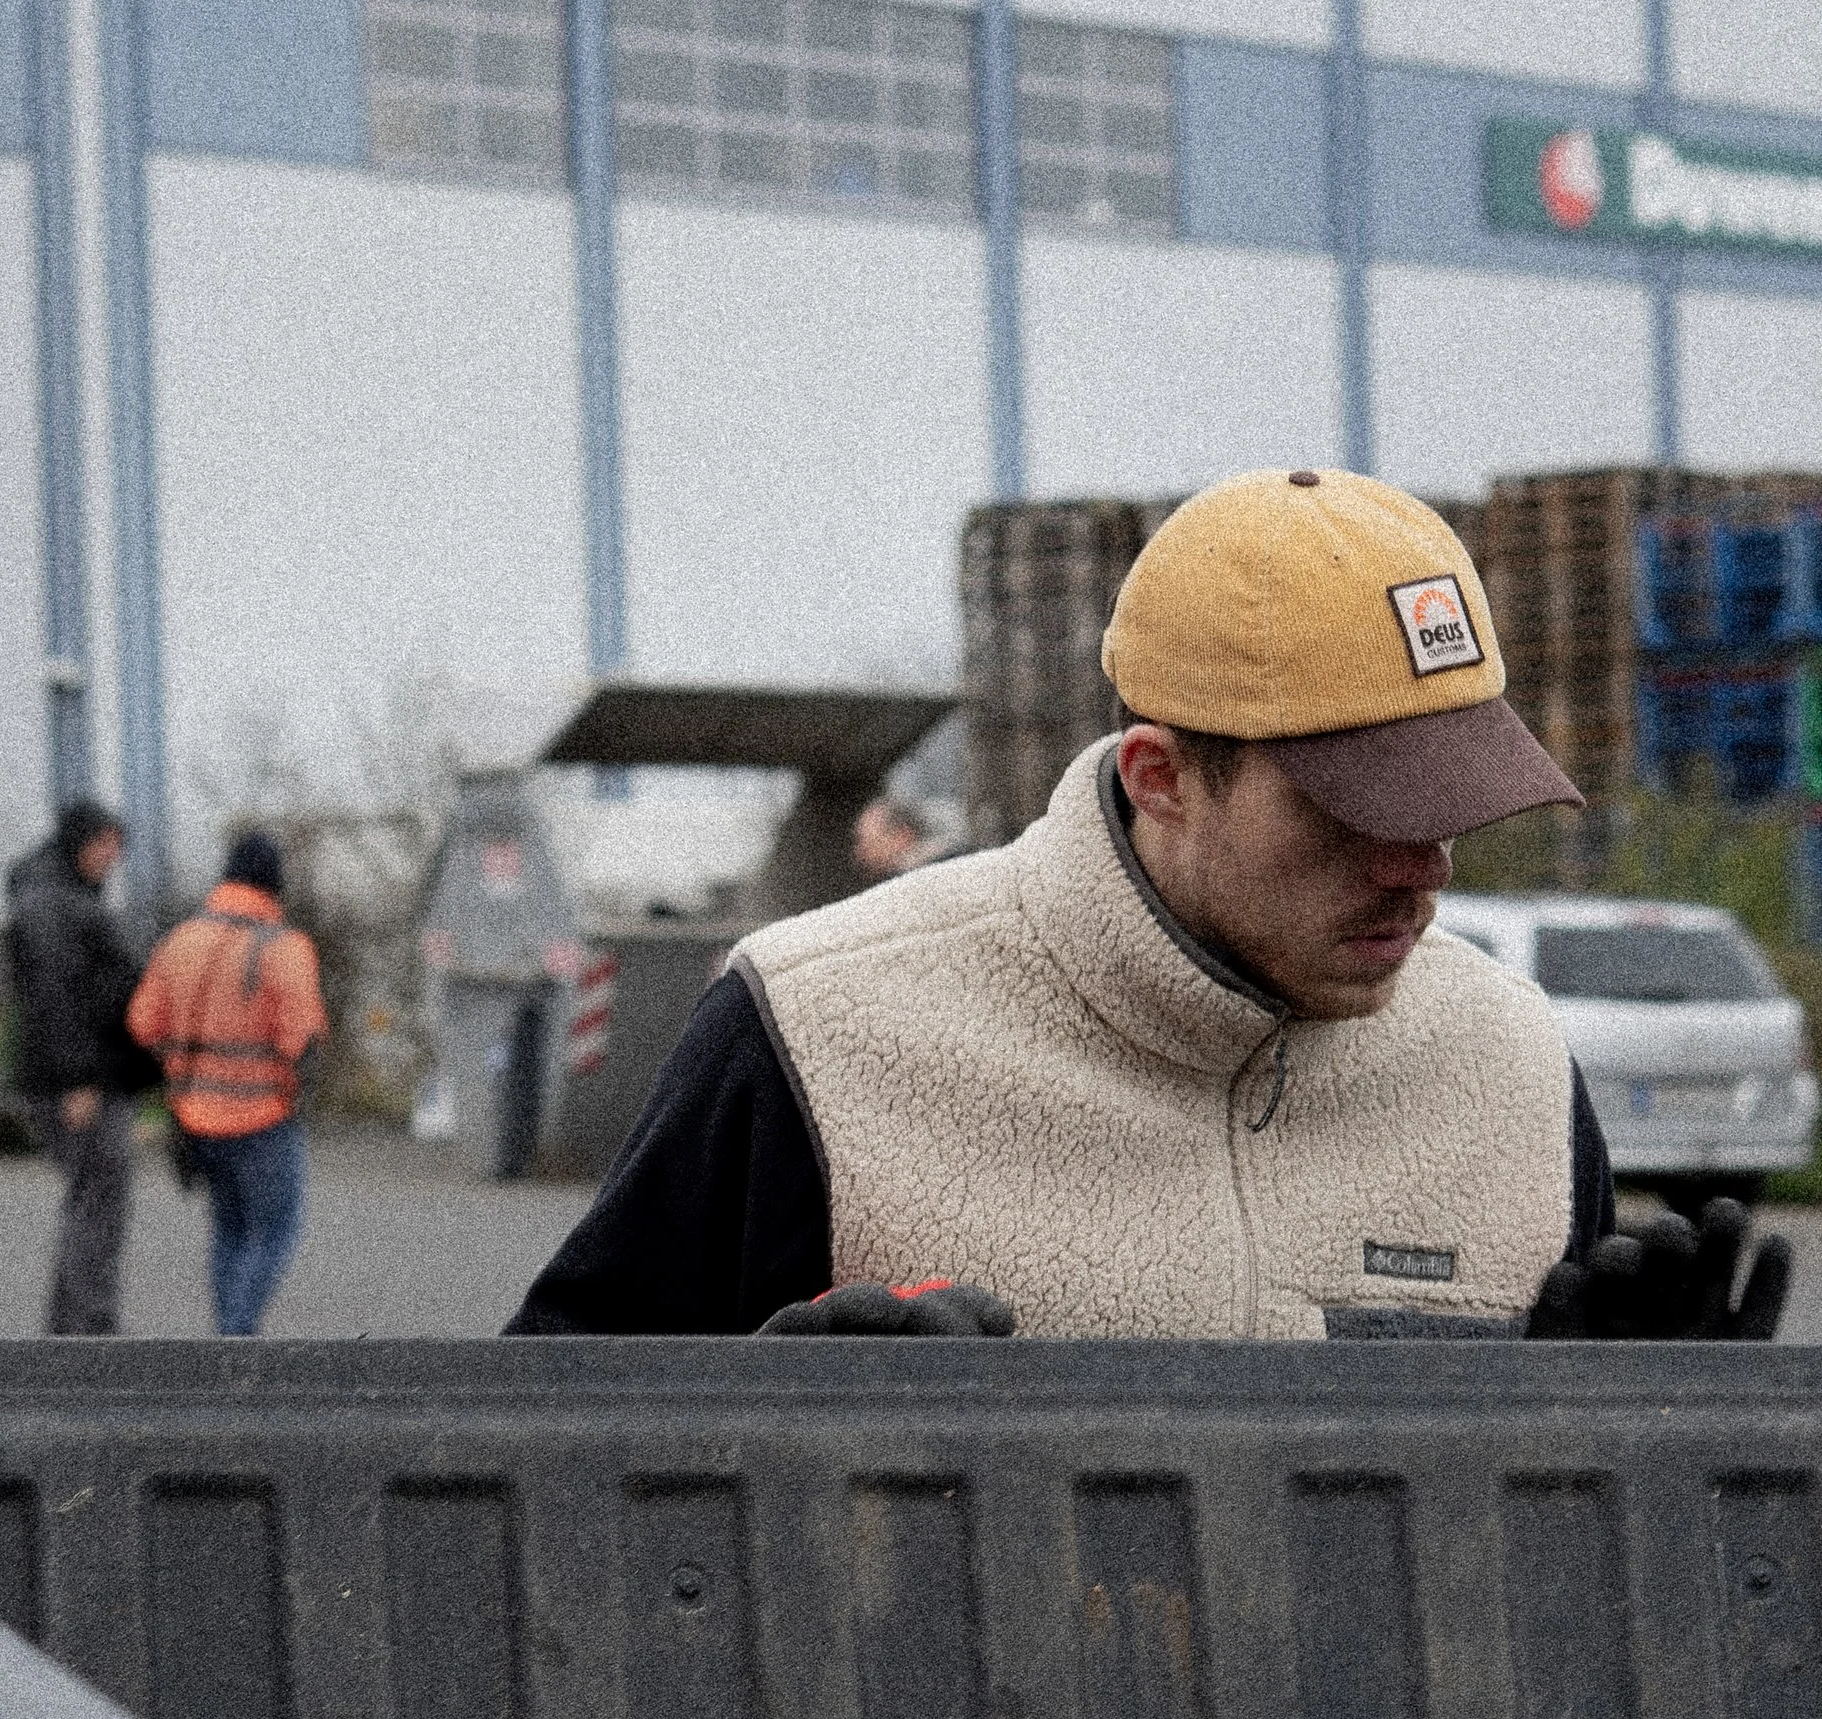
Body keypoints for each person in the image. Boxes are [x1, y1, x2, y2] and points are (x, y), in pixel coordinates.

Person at [510, 469, 1788, 1347]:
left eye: (1446, 800)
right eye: (1353, 810)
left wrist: (1641, 1458)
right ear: (1161, 776)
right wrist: (741, 1432)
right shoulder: (817, 1031)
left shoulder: (1506, 1062)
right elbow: (529, 1478)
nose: (1422, 866)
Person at [127, 828, 327, 1338]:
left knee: (230, 1231)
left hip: (194, 1118)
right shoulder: (284, 947)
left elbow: (142, 1023)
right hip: (263, 1119)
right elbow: (302, 1039)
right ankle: (237, 1339)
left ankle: (225, 1342)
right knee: (276, 1232)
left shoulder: (181, 939)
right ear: (274, 883)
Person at [6, 798, 148, 1338]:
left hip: (92, 1077)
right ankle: (89, 1332)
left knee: (92, 1201)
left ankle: (74, 1329)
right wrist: (78, 1080)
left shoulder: (61, 897)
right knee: (98, 1203)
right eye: (105, 844)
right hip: (82, 1083)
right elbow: (54, 1000)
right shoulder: (52, 905)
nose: (114, 856)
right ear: (80, 842)